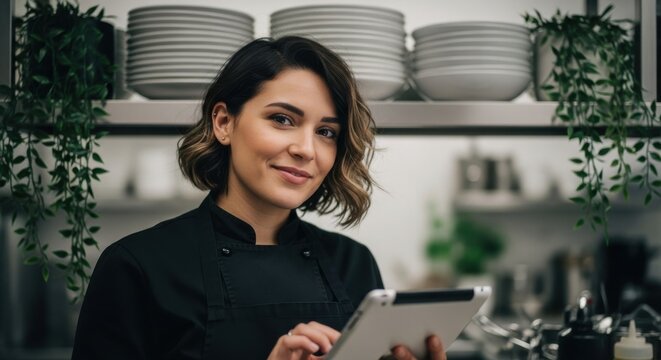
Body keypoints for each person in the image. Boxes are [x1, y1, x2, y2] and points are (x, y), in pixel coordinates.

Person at [71, 36, 446, 360]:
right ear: (223, 123)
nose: (306, 149)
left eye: (327, 131)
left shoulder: (353, 263)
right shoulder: (137, 267)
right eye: (283, 119)